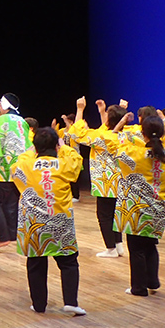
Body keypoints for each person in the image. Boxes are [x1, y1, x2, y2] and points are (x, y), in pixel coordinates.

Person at [11, 127, 86, 315]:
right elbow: (77, 160)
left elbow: (16, 165)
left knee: (36, 262)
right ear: (56, 146)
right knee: (68, 262)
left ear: (35, 147)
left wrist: (31, 151)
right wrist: (64, 148)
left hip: (34, 223)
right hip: (60, 220)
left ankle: (39, 304)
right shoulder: (64, 165)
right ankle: (70, 301)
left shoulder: (25, 165)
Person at [108, 114, 165, 296]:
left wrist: (121, 124)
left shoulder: (132, 152)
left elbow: (110, 144)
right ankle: (152, 282)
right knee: (150, 245)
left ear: (143, 133)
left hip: (136, 208)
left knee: (137, 249)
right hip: (158, 207)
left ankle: (139, 288)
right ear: (163, 133)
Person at [69, 97, 127, 258]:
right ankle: (118, 245)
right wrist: (103, 111)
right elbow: (106, 129)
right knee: (115, 214)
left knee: (104, 215)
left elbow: (77, 134)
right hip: (121, 180)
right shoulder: (124, 135)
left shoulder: (102, 137)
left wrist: (80, 109)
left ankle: (111, 248)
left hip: (106, 182)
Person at [0, 93, 32, 248]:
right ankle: (12, 235)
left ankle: (3, 236)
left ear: (5, 106)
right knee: (12, 203)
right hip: (22, 168)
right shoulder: (22, 121)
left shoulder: (1, 120)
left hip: (6, 168)